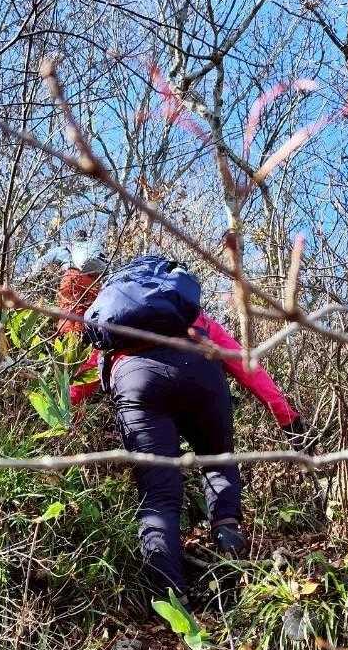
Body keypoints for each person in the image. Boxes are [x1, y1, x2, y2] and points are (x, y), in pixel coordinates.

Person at [59, 252, 302, 600]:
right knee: (217, 461)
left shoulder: (119, 325)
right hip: (201, 374)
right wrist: (287, 418)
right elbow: (247, 367)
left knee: (158, 495)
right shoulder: (195, 318)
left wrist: (59, 419)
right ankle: (230, 554)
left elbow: (82, 381)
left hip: (136, 379)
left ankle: (171, 598)